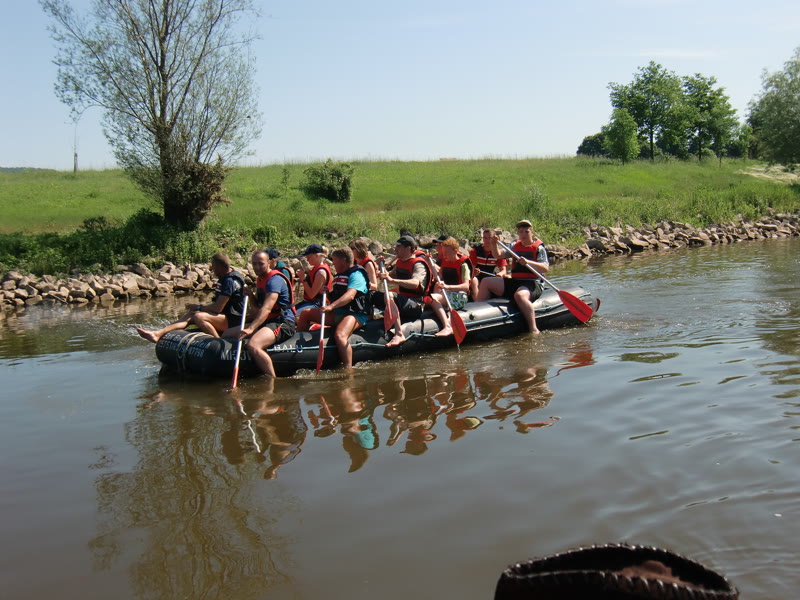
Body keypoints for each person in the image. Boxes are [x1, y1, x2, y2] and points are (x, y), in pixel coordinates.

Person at [135, 252, 245, 343]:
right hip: (225, 316)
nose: (213, 270)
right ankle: (158, 334)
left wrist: (199, 307)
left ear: (220, 267)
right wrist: (198, 308)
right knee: (191, 314)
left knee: (199, 316)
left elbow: (218, 308)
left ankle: (218, 342)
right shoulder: (226, 277)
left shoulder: (230, 281)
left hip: (234, 320)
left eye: (214, 266)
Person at [296, 246, 370, 368]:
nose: (333, 264)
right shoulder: (339, 275)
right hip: (338, 312)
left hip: (355, 314)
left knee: (340, 335)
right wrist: (327, 293)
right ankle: (296, 346)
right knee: (305, 313)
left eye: (334, 260)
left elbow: (350, 295)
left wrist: (331, 306)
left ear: (343, 261)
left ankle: (348, 369)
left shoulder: (357, 274)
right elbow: (337, 296)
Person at [476, 219, 549, 334]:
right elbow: (498, 255)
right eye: (521, 232)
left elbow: (545, 268)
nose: (523, 234)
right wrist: (494, 244)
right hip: (515, 281)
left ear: (532, 233)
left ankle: (533, 329)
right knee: (485, 282)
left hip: (532, 282)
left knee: (520, 295)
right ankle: (476, 313)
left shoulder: (539, 248)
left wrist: (528, 262)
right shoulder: (514, 245)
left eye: (526, 232)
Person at [237, 249, 297, 377]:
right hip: (268, 321)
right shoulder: (260, 279)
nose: (257, 267)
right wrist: (251, 296)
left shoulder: (274, 280)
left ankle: (272, 379)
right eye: (254, 264)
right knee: (227, 333)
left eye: (261, 263)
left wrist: (251, 328)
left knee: (253, 345)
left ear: (269, 263)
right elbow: (257, 309)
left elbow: (267, 308)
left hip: (283, 322)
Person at [374, 235, 433, 347]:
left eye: (399, 247)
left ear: (408, 248)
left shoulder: (418, 264)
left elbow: (415, 283)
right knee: (374, 295)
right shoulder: (400, 262)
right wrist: (378, 267)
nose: (396, 249)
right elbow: (388, 276)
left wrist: (392, 280)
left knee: (390, 295)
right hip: (403, 301)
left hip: (416, 304)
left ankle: (399, 334)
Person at [424, 236, 472, 338]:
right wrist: (429, 262)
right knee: (436, 287)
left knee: (432, 298)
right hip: (447, 293)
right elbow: (438, 277)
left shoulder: (463, 265)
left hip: (459, 296)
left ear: (455, 251)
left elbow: (466, 287)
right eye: (443, 253)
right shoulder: (445, 262)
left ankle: (447, 326)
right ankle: (439, 310)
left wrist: (447, 287)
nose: (444, 256)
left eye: (447, 253)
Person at [469, 227, 508, 298]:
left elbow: (503, 270)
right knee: (474, 280)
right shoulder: (475, 251)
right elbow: (471, 268)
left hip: (491, 276)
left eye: (489, 238)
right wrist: (474, 271)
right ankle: (477, 301)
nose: (487, 241)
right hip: (478, 276)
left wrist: (500, 274)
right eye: (485, 238)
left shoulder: (498, 252)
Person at [295, 243, 333, 314]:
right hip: (309, 301)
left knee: (295, 316)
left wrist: (303, 278)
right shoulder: (314, 268)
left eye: (309, 257)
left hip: (318, 303)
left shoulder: (321, 273)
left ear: (317, 255)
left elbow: (311, 295)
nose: (307, 259)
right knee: (289, 312)